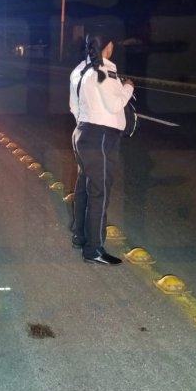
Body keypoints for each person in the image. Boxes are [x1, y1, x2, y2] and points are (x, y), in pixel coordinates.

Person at [69, 34, 134, 265]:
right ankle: (94, 249)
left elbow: (73, 106)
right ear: (108, 46)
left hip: (83, 132)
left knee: (85, 188)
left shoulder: (79, 70)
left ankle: (80, 235)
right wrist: (128, 87)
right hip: (102, 138)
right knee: (99, 193)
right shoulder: (103, 71)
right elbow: (115, 104)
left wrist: (86, 123)